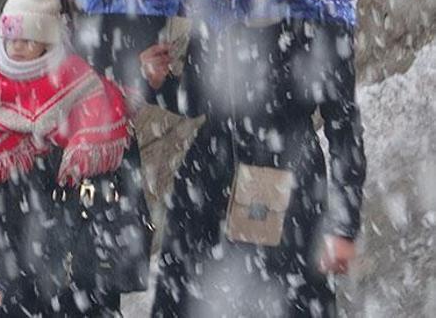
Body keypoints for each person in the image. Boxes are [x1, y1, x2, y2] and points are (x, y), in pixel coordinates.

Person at [139, 17, 366, 317]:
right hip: (210, 183)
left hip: (290, 184)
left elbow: (343, 125)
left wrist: (343, 225)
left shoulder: (318, 14)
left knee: (287, 301)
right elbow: (195, 99)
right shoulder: (220, 8)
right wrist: (156, 82)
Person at [0, 0, 139, 316]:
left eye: (28, 40)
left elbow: (97, 103)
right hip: (10, 181)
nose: (17, 47)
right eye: (12, 38)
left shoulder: (71, 70)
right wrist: (13, 140)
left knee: (59, 263)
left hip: (67, 195)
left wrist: (64, 139)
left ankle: (20, 277)